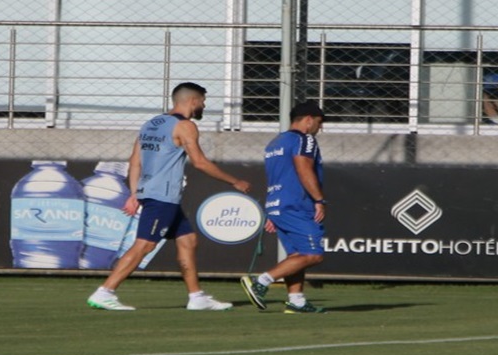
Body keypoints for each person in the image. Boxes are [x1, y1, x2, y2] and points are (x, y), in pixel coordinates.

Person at [87, 82, 252, 311]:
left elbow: (135, 161)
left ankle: (197, 297)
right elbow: (200, 162)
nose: (203, 105)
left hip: (156, 195)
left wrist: (135, 194)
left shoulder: (150, 124)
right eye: (203, 101)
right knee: (144, 245)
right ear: (193, 101)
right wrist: (235, 181)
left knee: (188, 240)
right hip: (162, 197)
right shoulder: (185, 126)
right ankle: (105, 292)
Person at [240, 101, 327, 314]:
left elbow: (277, 175)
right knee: (313, 254)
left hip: (278, 203)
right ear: (308, 120)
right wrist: (319, 200)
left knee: (296, 255)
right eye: (318, 122)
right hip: (297, 204)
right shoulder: (304, 139)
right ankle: (260, 282)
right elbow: (303, 166)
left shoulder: (275, 142)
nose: (320, 128)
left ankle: (296, 301)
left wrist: (273, 212)